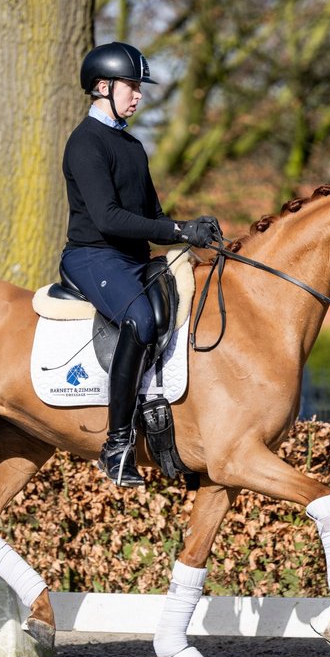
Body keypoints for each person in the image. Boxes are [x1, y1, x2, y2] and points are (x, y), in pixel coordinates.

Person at [60, 41, 220, 486]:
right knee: (142, 321)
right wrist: (176, 233)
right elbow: (108, 217)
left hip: (131, 258)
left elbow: (152, 221)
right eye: (131, 86)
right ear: (102, 87)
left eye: (138, 87)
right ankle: (116, 445)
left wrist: (190, 228)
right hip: (91, 256)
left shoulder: (132, 146)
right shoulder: (85, 143)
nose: (138, 95)